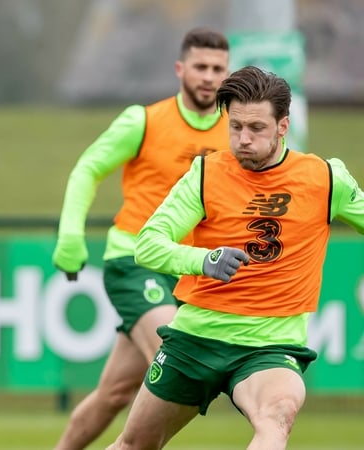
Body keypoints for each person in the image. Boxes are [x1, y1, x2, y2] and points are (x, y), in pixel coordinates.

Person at [107, 65, 364, 450]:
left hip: (271, 346)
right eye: (235, 127)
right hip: (195, 338)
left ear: (283, 126)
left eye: (256, 128)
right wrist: (203, 260)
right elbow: (148, 243)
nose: (243, 139)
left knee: (277, 418)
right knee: (134, 444)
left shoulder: (326, 179)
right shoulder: (205, 174)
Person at [51, 27, 230, 449]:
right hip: (136, 261)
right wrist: (70, 234)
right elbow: (88, 169)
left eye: (218, 69)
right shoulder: (144, 120)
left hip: (190, 271)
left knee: (114, 393)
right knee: (176, 369)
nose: (208, 76)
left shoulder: (234, 134)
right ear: (180, 69)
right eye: (200, 67)